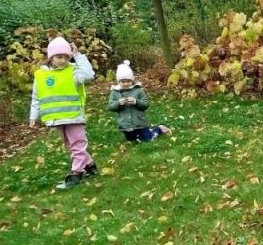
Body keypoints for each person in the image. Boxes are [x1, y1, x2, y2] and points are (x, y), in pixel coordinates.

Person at [29, 36, 97, 190]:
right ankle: (90, 165)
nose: (63, 61)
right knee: (70, 145)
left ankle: (76, 173)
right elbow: (36, 97)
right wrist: (34, 115)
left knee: (78, 144)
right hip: (56, 118)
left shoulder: (73, 72)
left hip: (74, 116)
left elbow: (89, 75)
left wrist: (78, 56)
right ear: (51, 57)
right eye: (59, 57)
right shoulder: (41, 75)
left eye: (66, 57)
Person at [108, 60, 171, 142]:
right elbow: (111, 106)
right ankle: (138, 136)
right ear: (118, 81)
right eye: (123, 82)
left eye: (128, 81)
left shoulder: (138, 90)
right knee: (133, 140)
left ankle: (159, 129)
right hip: (125, 125)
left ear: (132, 81)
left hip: (140, 122)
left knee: (148, 138)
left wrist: (136, 102)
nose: (126, 84)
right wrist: (118, 103)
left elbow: (146, 104)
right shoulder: (115, 92)